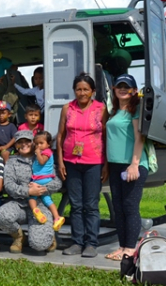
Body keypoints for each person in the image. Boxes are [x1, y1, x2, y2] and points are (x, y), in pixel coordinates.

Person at [55, 72, 109, 258]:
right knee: (76, 204)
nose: (82, 92)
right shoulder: (67, 108)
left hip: (94, 162)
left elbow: (106, 138)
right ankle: (77, 242)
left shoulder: (101, 109)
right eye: (78, 89)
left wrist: (106, 165)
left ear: (93, 91)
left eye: (86, 89)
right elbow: (60, 136)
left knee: (91, 205)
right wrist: (60, 161)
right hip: (71, 162)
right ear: (74, 90)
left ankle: (91, 243)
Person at [0, 130, 63, 254]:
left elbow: (57, 183)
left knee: (39, 244)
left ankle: (48, 236)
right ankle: (18, 237)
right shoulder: (12, 162)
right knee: (1, 216)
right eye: (20, 142)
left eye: (28, 141)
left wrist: (41, 189)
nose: (24, 144)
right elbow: (8, 186)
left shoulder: (44, 157)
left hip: (40, 206)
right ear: (16, 145)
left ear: (34, 143)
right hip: (18, 204)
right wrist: (28, 191)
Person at [105, 74, 149, 261]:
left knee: (130, 206)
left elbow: (140, 137)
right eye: (119, 86)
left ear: (134, 90)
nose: (123, 89)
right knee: (118, 207)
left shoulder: (136, 109)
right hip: (115, 165)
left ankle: (131, 249)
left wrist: (134, 164)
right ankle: (122, 246)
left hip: (132, 164)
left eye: (127, 87)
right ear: (114, 89)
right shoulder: (114, 111)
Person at [27, 131, 64, 231]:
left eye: (41, 143)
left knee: (31, 196)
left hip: (41, 179)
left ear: (48, 144)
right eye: (37, 143)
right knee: (47, 199)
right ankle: (57, 217)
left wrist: (38, 153)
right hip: (43, 179)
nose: (38, 145)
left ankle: (35, 210)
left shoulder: (47, 152)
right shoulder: (42, 151)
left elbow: (42, 161)